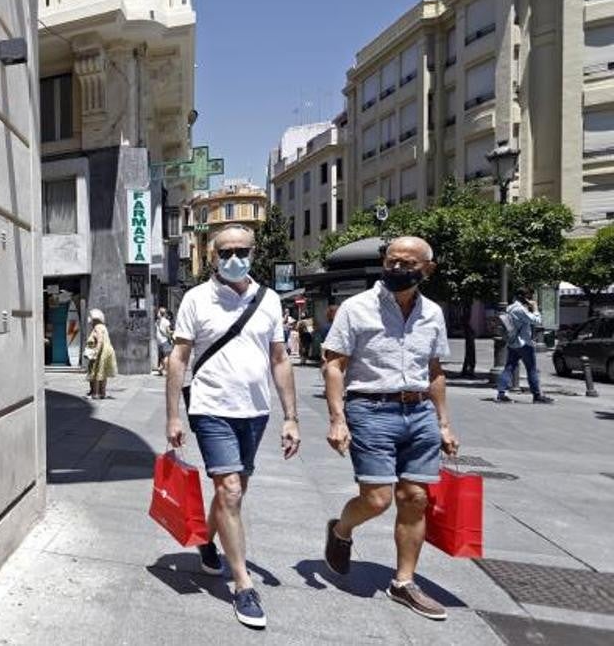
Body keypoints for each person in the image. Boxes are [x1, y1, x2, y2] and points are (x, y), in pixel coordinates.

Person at [165, 224, 301, 629]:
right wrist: (173, 414)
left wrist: (290, 416)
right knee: (230, 489)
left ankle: (207, 539)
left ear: (254, 252)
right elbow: (178, 358)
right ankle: (243, 584)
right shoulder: (196, 298)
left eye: (242, 250)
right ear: (212, 257)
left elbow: (280, 358)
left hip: (255, 412)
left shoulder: (270, 300)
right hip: (210, 408)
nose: (235, 257)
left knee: (234, 492)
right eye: (225, 252)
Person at [321, 236, 461, 622]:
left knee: (415, 497)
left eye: (408, 264)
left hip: (419, 412)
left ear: (426, 269)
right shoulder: (356, 308)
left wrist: (444, 423)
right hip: (370, 408)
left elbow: (435, 371)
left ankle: (404, 582)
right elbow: (334, 365)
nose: (398, 269)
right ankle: (343, 528)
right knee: (378, 499)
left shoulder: (432, 313)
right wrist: (337, 418)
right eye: (392, 262)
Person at [496, 288, 553, 404]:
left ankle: (501, 394)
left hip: (513, 343)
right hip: (524, 343)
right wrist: (535, 308)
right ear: (523, 297)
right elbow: (537, 320)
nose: (531, 299)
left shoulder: (510, 307)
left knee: (509, 368)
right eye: (529, 296)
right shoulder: (519, 309)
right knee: (531, 369)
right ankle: (537, 395)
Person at [85, 308, 117, 399]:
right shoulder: (103, 327)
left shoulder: (97, 327)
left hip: (101, 351)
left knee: (96, 372)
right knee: (103, 373)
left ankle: (95, 394)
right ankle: (102, 393)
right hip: (107, 351)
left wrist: (96, 352)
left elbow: (100, 341)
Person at [154, 306, 173, 375]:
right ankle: (166, 370)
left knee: (161, 356)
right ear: (165, 313)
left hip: (159, 341)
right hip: (165, 340)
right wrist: (172, 333)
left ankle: (160, 369)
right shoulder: (166, 321)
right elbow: (168, 331)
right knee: (166, 356)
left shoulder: (157, 321)